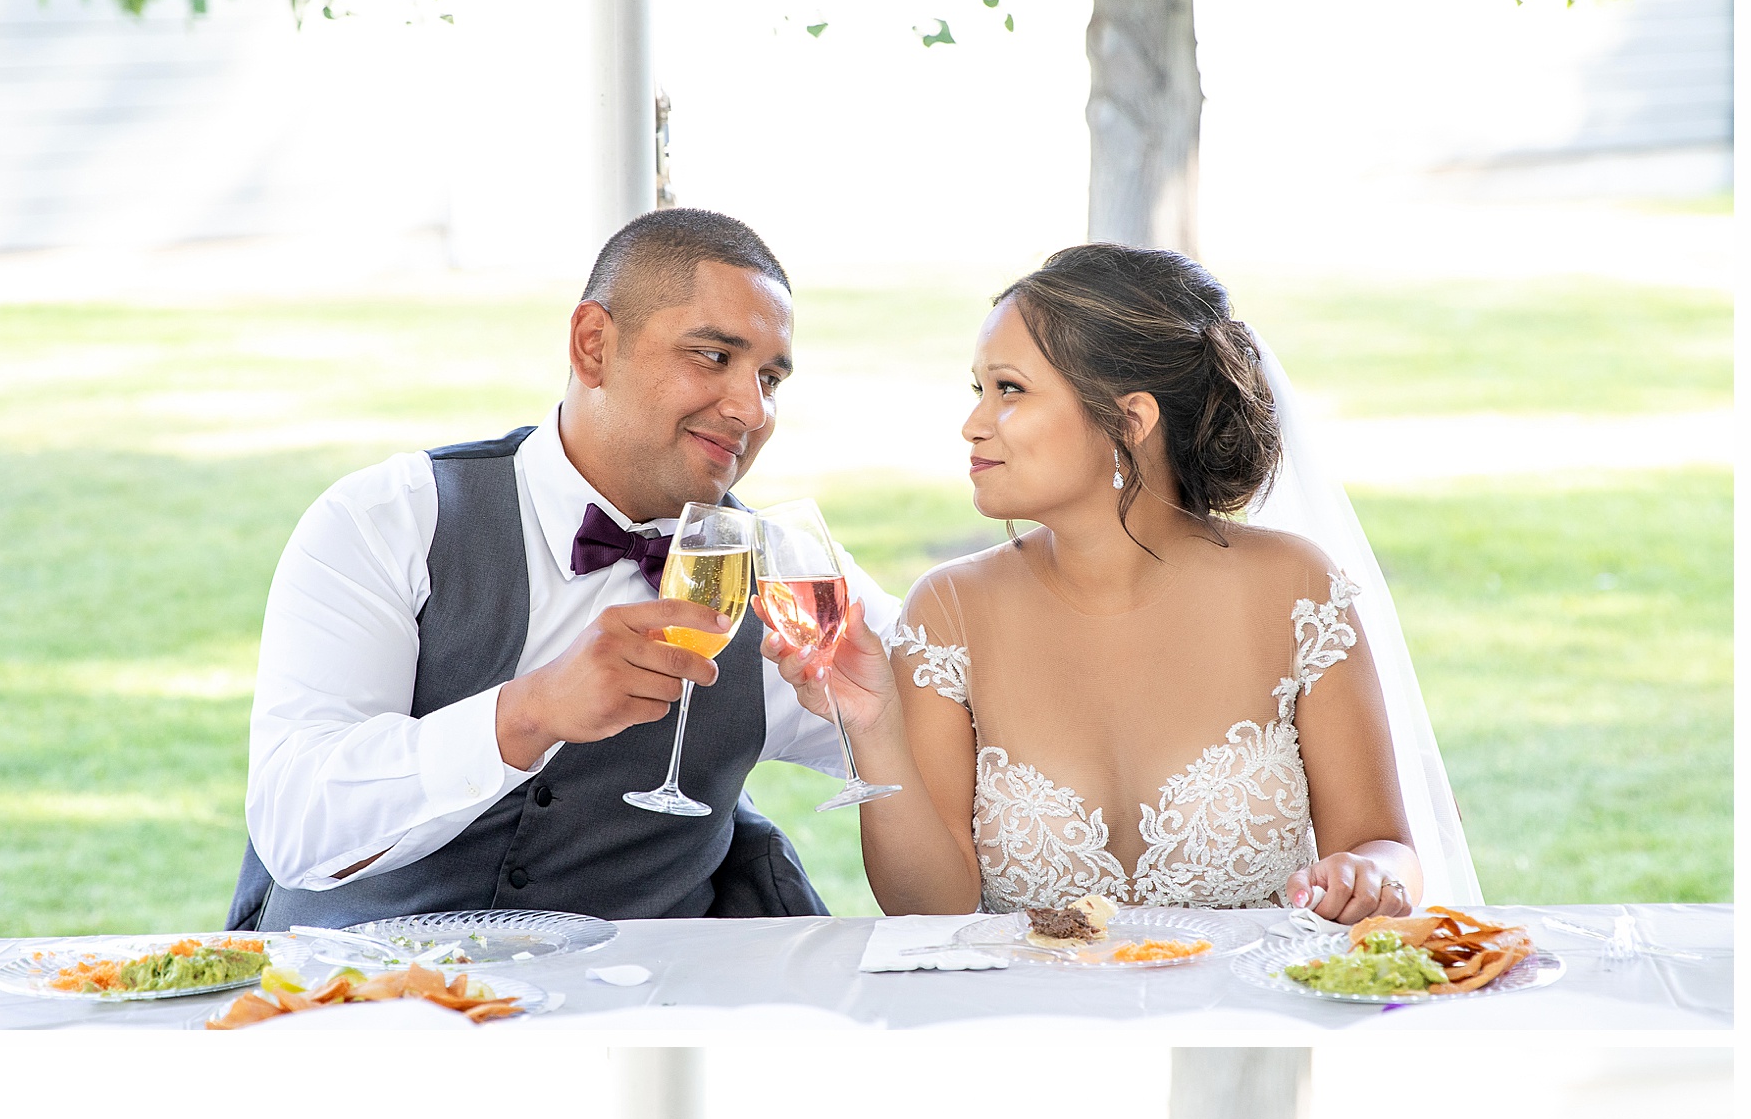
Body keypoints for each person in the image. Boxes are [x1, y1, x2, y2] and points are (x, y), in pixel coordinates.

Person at [761, 244, 1479, 924]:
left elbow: (1386, 847)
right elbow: (930, 907)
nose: (972, 424)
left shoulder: (1296, 588)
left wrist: (1368, 878)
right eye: (980, 389)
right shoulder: (950, 610)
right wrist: (873, 731)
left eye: (1009, 390)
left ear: (1130, 420)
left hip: (1235, 1026)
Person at [229, 209, 895, 933]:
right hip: (365, 1010)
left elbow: (965, 726)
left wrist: (882, 716)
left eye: (771, 377)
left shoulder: (790, 579)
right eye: (713, 357)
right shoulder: (389, 519)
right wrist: (528, 713)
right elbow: (295, 825)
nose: (751, 409)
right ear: (592, 346)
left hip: (645, 1023)